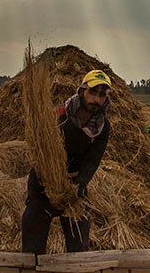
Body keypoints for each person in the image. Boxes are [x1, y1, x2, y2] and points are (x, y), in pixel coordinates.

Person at [21, 69, 112, 253]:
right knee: (32, 248)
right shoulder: (57, 116)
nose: (96, 99)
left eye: (102, 95)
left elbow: (92, 160)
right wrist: (50, 182)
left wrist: (78, 186)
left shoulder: (102, 126)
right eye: (92, 92)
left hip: (74, 187)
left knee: (79, 245)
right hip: (44, 185)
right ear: (81, 91)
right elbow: (39, 149)